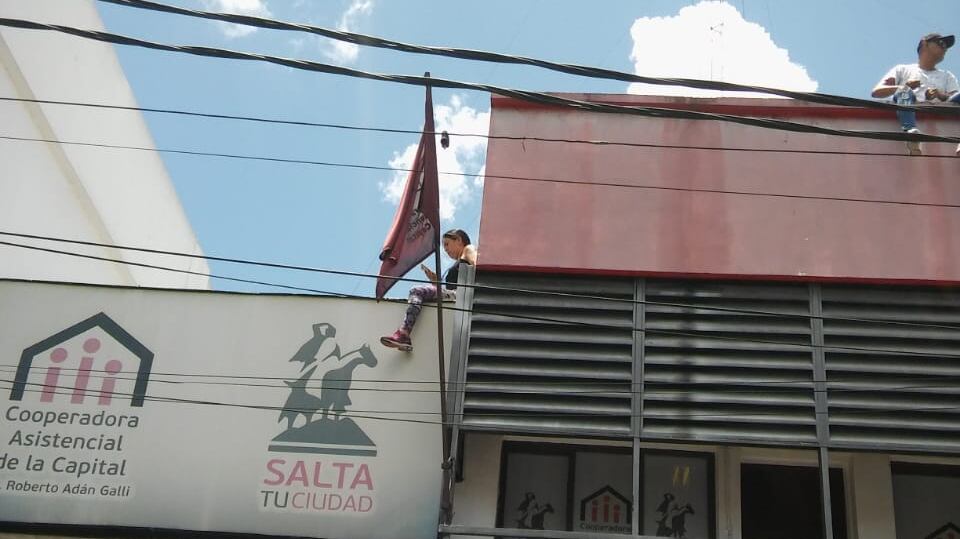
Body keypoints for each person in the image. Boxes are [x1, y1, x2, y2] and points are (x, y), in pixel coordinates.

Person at [380, 229, 477, 352]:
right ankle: (404, 334)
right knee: (419, 291)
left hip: (463, 295)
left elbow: (477, 265)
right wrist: (436, 281)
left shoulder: (468, 249)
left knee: (417, 290)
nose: (445, 249)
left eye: (447, 244)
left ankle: (404, 333)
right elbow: (449, 291)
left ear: (458, 240)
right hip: (456, 296)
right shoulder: (459, 263)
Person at [872, 33, 960, 156]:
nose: (944, 48)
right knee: (904, 91)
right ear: (925, 43)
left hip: (942, 112)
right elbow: (877, 91)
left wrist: (940, 95)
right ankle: (911, 133)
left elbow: (954, 100)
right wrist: (905, 86)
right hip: (910, 107)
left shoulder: (947, 76)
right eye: (941, 43)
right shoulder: (902, 69)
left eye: (946, 46)